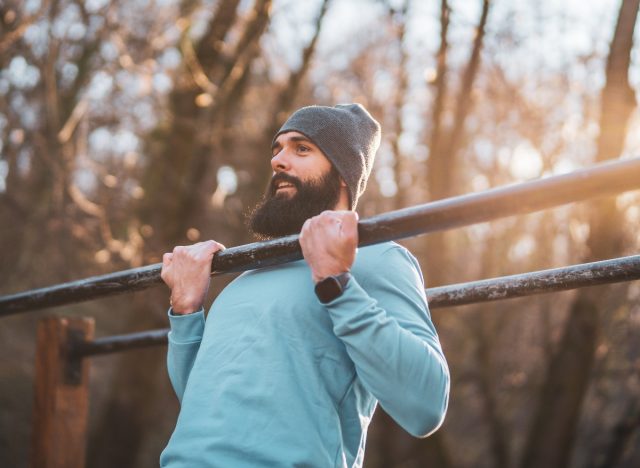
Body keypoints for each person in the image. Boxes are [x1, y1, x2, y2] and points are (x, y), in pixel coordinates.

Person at [159, 104, 449, 467]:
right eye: (277, 149)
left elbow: (426, 405)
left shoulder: (376, 258)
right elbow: (204, 405)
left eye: (301, 148)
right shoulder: (245, 277)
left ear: (343, 172)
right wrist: (186, 311)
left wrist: (336, 283)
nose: (278, 160)